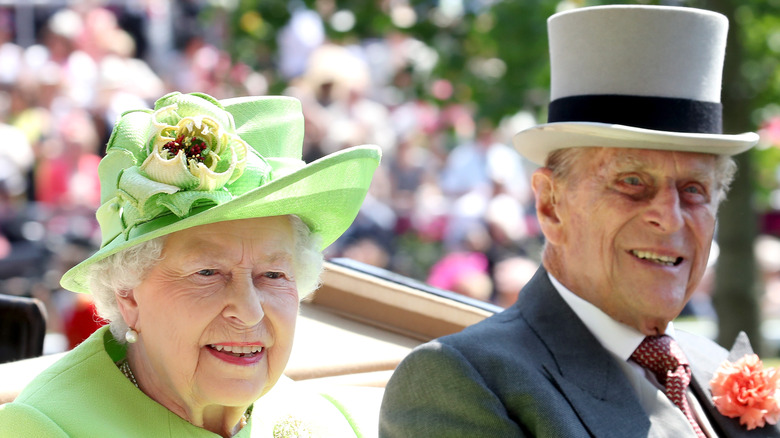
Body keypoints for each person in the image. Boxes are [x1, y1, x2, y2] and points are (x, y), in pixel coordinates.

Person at [380, 5, 780, 437]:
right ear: (551, 205)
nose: (669, 217)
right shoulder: (462, 381)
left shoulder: (712, 364)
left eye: (694, 190)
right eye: (632, 181)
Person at [0, 91, 381, 437]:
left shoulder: (332, 423)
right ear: (128, 294)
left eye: (273, 275)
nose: (249, 313)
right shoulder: (44, 429)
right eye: (208, 273)